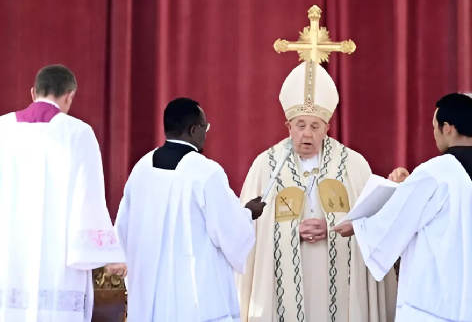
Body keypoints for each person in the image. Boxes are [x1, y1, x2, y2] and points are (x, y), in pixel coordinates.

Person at [334, 93, 472, 322]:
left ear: (447, 128)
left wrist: (358, 225)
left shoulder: (435, 172)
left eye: (434, 127)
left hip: (441, 305)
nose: (434, 134)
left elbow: (397, 220)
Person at [237, 61, 397, 322]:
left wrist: (333, 226)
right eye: (300, 125)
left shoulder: (354, 165)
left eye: (315, 126)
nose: (307, 135)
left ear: (327, 127)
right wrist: (291, 231)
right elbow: (246, 230)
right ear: (288, 126)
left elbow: (373, 224)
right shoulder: (266, 166)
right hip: (282, 285)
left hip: (339, 281)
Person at [115, 98, 264, 321]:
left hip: (149, 299)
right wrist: (249, 213)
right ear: (195, 130)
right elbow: (229, 230)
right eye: (205, 127)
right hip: (194, 303)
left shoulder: (141, 168)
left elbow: (124, 230)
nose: (206, 133)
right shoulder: (206, 171)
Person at [0, 64, 125, 322]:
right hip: (56, 260)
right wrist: (108, 256)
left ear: (33, 92)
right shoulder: (78, 133)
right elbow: (89, 199)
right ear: (69, 96)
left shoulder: (2, 129)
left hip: (9, 254)